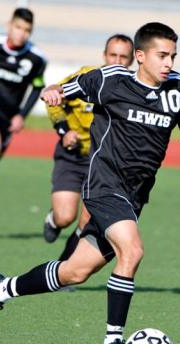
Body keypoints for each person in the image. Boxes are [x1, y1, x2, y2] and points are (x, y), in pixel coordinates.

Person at [0, 22, 180, 344]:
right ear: (141, 56)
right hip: (103, 184)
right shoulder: (110, 79)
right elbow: (61, 88)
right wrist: (53, 92)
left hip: (135, 195)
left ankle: (0, 290)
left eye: (173, 56)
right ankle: (112, 342)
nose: (169, 63)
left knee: (74, 272)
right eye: (162, 55)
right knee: (132, 251)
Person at [43, 34, 134, 265]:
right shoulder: (87, 76)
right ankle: (54, 220)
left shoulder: (134, 89)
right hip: (73, 156)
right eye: (113, 55)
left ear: (132, 60)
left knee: (87, 220)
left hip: (103, 163)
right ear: (104, 56)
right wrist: (64, 131)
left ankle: (63, 268)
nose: (117, 61)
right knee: (65, 217)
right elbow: (55, 94)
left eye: (123, 57)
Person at [0, 8, 47, 237]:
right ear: (9, 25)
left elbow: (37, 87)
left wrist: (21, 115)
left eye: (27, 30)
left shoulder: (36, 59)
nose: (22, 34)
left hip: (7, 116)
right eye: (18, 27)